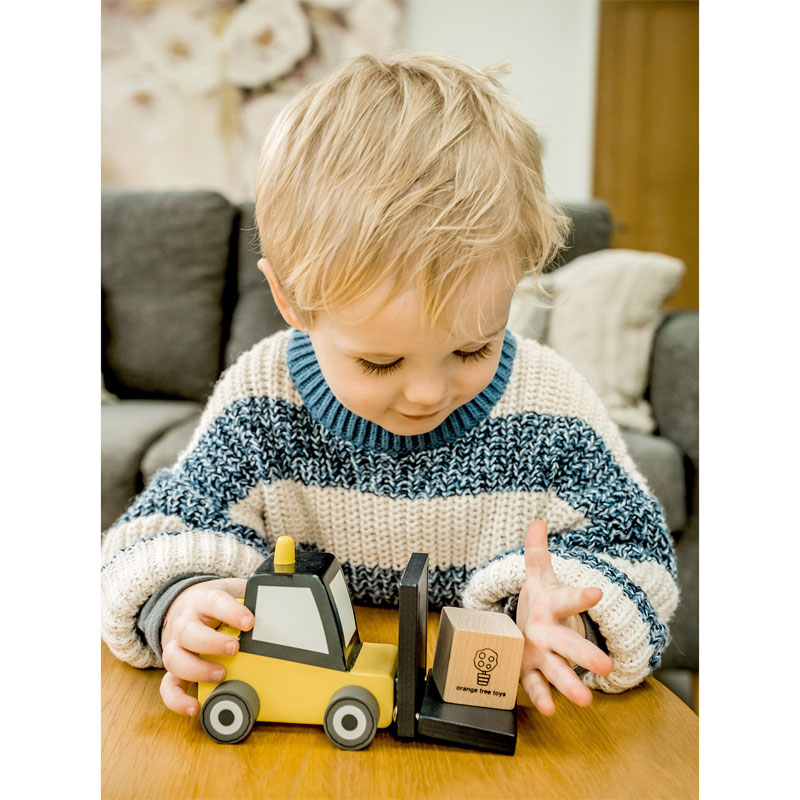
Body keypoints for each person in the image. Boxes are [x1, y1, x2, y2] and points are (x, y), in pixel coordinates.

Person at [101, 51, 678, 721]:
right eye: (380, 362)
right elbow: (156, 536)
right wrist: (180, 603)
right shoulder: (262, 397)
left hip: (487, 721)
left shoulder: (551, 405)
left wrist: (570, 615)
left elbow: (638, 552)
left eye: (472, 348)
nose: (428, 394)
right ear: (291, 302)